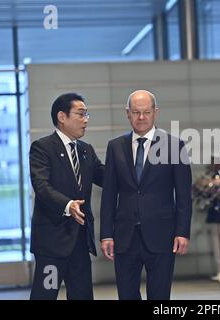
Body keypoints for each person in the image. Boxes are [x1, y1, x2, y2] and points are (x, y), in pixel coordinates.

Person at [100, 89, 192, 300]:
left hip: (163, 235)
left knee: (159, 297)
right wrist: (106, 233)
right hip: (125, 237)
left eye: (146, 112)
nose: (141, 117)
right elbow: (109, 194)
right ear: (128, 113)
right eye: (136, 112)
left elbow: (184, 195)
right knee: (126, 295)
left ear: (155, 112)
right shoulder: (115, 147)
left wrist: (182, 231)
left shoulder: (174, 146)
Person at [29, 93, 104, 300]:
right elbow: (41, 186)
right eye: (81, 114)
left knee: (82, 296)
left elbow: (105, 177)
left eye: (87, 114)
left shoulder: (86, 150)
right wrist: (68, 204)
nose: (86, 119)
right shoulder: (42, 148)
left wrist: (135, 168)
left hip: (80, 242)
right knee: (45, 295)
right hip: (52, 244)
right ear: (62, 117)